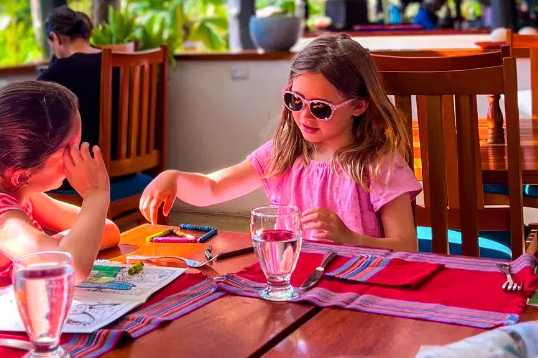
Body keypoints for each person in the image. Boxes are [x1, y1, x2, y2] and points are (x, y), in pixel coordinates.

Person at [139, 34, 421, 251]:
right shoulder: (286, 153)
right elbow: (214, 189)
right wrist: (172, 178)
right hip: (296, 284)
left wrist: (350, 238)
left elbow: (407, 245)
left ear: (358, 106)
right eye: (295, 101)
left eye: (321, 108)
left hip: (360, 290)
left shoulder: (378, 162)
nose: (304, 116)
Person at [0, 81, 120, 305]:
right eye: (69, 149)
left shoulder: (20, 194)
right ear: (21, 175)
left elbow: (107, 231)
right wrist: (95, 194)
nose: (77, 156)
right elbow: (69, 269)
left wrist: (59, 246)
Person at [38, 7, 105, 150]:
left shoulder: (59, 71)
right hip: (130, 157)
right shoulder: (115, 61)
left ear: (55, 38)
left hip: (87, 160)